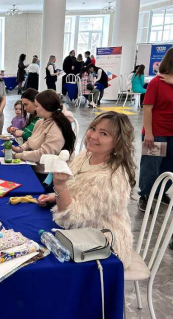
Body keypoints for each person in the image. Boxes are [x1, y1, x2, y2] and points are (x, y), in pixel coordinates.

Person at [38, 112, 136, 269]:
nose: (93, 136)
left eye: (103, 133)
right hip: (82, 234)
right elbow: (78, 192)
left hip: (102, 248)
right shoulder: (86, 155)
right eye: (93, 128)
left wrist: (59, 186)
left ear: (118, 142)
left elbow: (73, 218)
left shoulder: (111, 178)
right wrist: (55, 195)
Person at [12, 90, 75, 181]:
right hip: (35, 167)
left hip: (48, 176)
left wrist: (19, 155)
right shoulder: (40, 122)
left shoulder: (57, 128)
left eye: (37, 106)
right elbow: (30, 140)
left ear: (46, 107)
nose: (35, 109)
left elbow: (43, 154)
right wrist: (20, 148)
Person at [138, 48, 173, 212]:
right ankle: (145, 195)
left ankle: (160, 193)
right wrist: (149, 133)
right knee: (151, 167)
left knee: (169, 167)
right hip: (156, 132)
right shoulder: (156, 82)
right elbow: (147, 108)